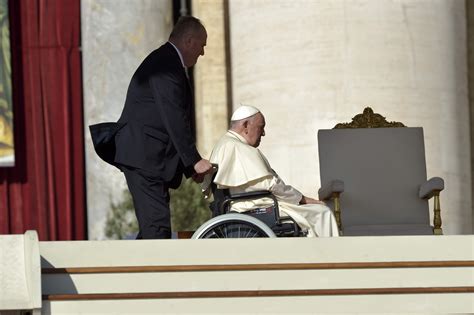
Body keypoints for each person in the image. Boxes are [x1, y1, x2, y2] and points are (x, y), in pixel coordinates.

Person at [90, 16, 212, 239]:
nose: (202, 53)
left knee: (154, 228)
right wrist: (193, 160)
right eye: (202, 45)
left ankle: (135, 273)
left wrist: (190, 168)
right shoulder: (165, 64)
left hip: (150, 160)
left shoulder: (167, 62)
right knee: (156, 229)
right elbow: (173, 114)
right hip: (144, 158)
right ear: (189, 40)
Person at [207, 105, 339, 237]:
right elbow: (272, 185)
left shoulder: (224, 144)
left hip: (248, 205)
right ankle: (329, 256)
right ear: (246, 125)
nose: (263, 133)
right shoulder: (238, 147)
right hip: (257, 208)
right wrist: (303, 199)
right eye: (261, 127)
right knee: (322, 213)